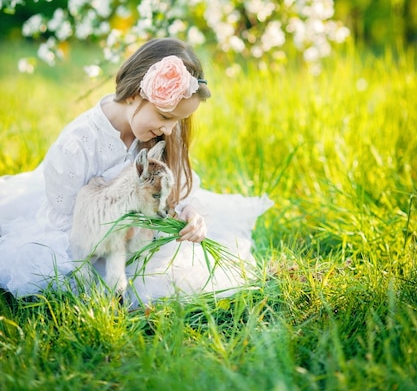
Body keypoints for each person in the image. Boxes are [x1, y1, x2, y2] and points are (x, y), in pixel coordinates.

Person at [0, 37, 273, 305]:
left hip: (138, 229)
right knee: (74, 273)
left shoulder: (162, 131)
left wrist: (190, 211)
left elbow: (174, 188)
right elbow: (66, 222)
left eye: (178, 121)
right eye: (166, 117)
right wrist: (122, 232)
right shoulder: (78, 145)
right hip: (84, 233)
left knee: (183, 268)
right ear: (134, 94)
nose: (169, 129)